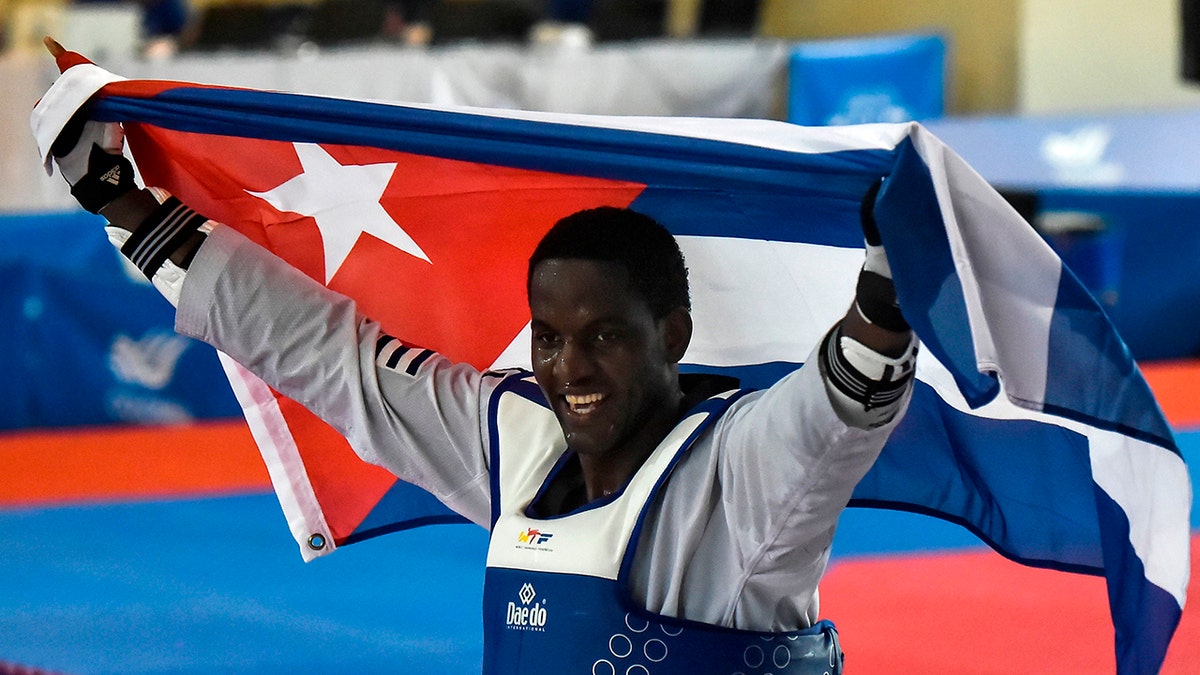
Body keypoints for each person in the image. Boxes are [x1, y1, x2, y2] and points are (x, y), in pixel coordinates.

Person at [34, 38, 918, 674]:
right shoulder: (514, 442)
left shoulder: (739, 476)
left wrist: (885, 291)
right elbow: (325, 353)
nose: (570, 367)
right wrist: (127, 207)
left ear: (673, 337)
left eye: (605, 336)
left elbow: (833, 413)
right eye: (550, 336)